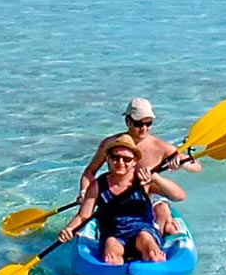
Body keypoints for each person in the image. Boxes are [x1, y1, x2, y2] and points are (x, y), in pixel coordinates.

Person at [59, 135, 185, 264]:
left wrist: (156, 177)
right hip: (113, 234)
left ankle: (152, 271)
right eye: (115, 158)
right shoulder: (97, 185)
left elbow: (179, 196)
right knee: (111, 252)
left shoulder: (144, 182)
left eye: (126, 159)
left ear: (134, 161)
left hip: (143, 230)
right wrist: (69, 229)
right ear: (108, 158)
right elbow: (83, 216)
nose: (120, 163)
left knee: (149, 245)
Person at [80, 98, 198, 236]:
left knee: (164, 214)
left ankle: (155, 240)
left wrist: (181, 163)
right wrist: (84, 192)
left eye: (148, 124)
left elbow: (196, 166)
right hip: (115, 199)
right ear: (128, 121)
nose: (144, 128)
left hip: (148, 199)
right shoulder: (111, 144)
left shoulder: (160, 147)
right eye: (138, 124)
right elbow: (90, 172)